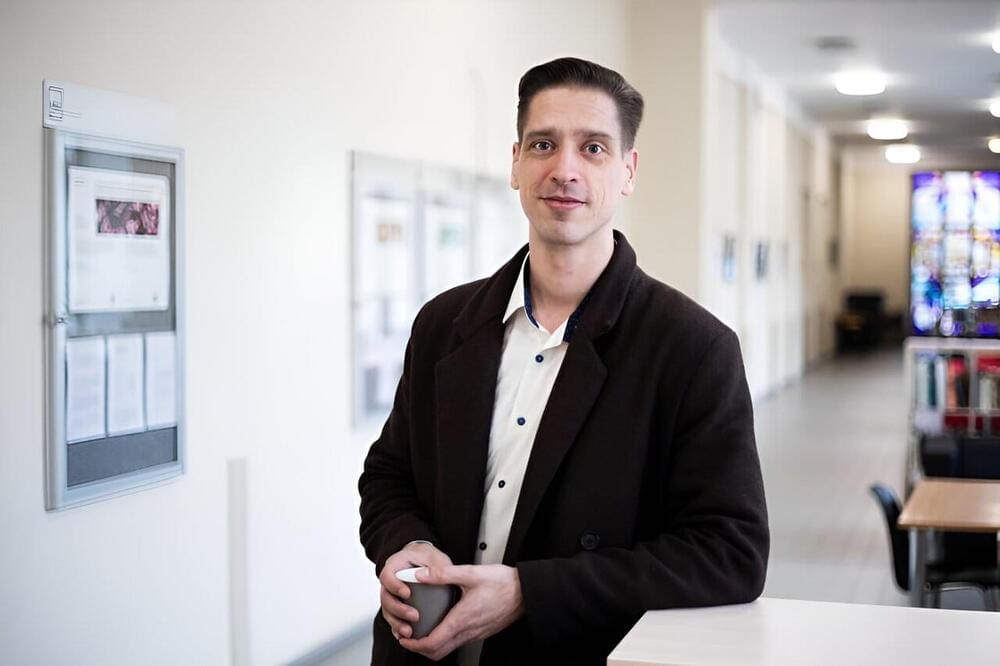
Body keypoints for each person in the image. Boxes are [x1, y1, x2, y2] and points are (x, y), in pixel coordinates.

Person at [359, 57, 768, 665]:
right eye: (543, 144)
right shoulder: (443, 324)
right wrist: (407, 543)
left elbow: (730, 553)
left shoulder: (692, 348)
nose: (564, 169)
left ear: (628, 171)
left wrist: (531, 592)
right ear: (516, 163)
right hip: (421, 652)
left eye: (593, 148)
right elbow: (389, 474)